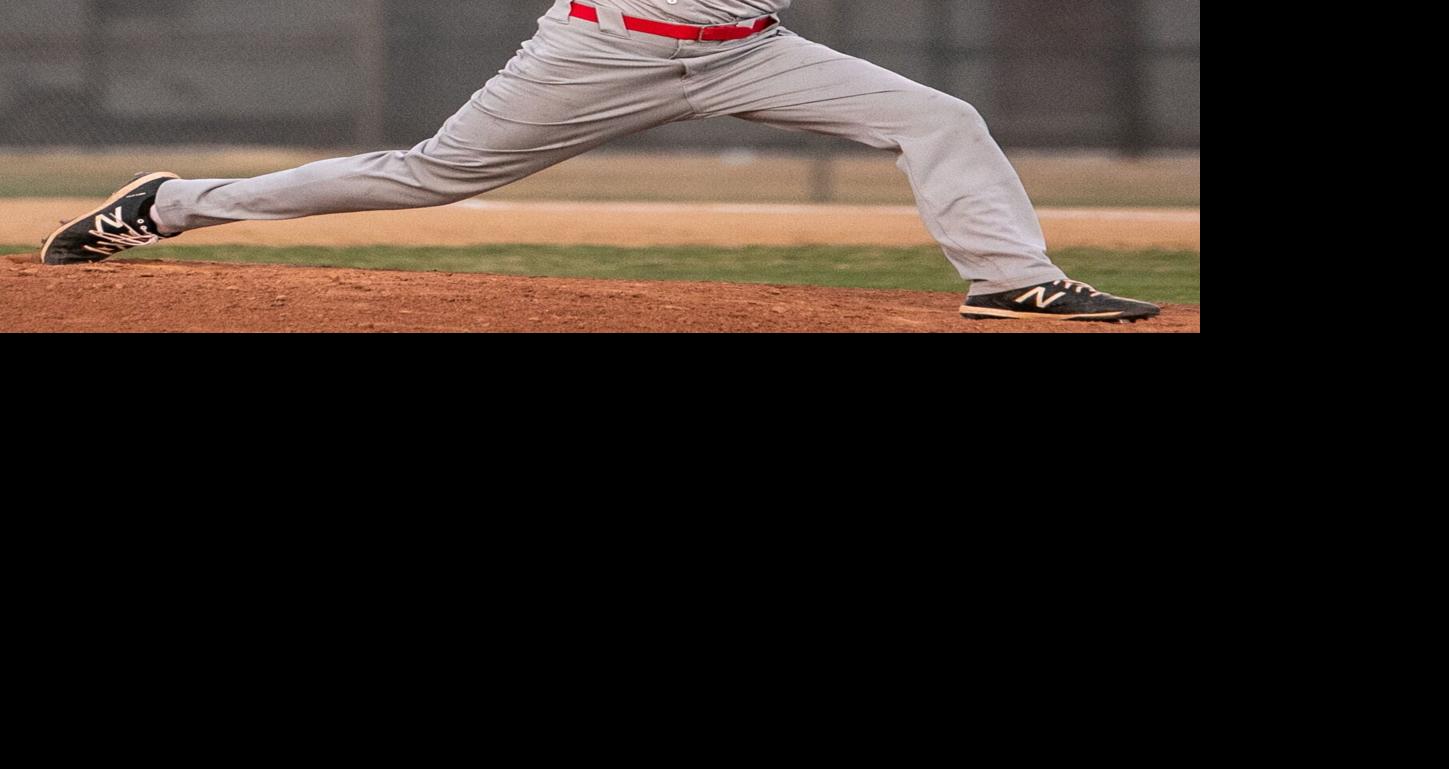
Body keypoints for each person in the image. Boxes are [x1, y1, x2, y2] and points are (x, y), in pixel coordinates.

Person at [39, 0, 1161, 323]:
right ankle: (170, 204)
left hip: (752, 48)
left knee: (939, 113)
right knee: (431, 174)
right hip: (602, 48)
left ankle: (1009, 280)